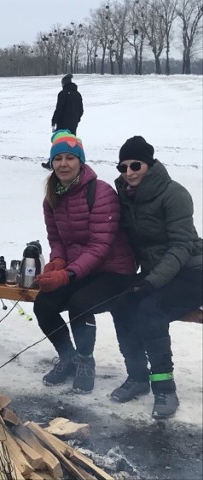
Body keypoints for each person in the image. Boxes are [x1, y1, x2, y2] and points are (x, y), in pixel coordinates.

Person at [33, 130, 136, 393]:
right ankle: (67, 357)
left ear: (80, 161)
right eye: (58, 159)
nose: (63, 164)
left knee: (80, 303)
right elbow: (56, 237)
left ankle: (85, 361)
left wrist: (67, 275)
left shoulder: (100, 192)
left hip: (114, 271)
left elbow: (101, 246)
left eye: (70, 158)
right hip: (80, 269)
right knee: (44, 303)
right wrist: (57, 261)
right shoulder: (52, 196)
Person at [110, 136, 202, 418]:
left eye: (135, 165)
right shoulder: (127, 198)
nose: (129, 172)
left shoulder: (174, 194)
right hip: (156, 274)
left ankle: (164, 388)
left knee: (152, 310)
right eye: (122, 167)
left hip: (192, 271)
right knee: (122, 304)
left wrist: (152, 281)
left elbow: (181, 246)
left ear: (149, 164)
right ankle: (137, 377)